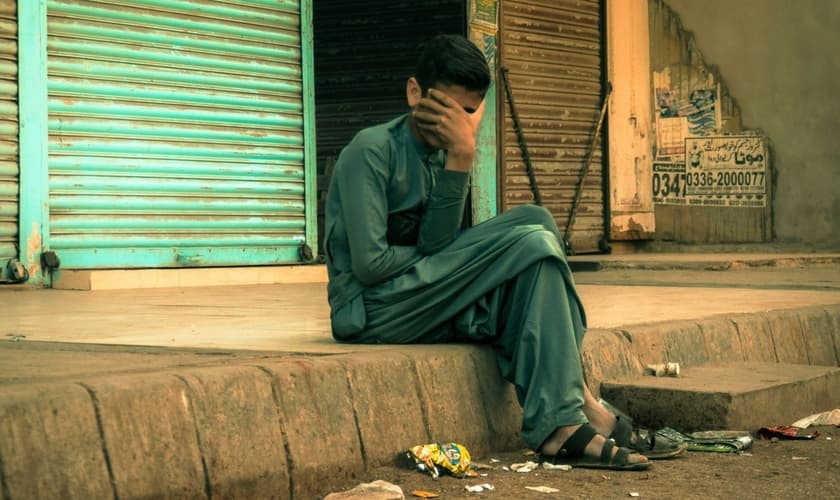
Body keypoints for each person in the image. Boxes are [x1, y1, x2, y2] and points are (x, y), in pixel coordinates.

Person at [323, 34, 650, 470]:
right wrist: (459, 260)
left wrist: (460, 156)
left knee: (537, 222)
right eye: (447, 108)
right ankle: (567, 420)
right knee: (530, 246)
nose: (457, 124)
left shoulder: (443, 154)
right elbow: (371, 264)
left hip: (420, 295)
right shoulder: (371, 150)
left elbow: (437, 246)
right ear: (415, 92)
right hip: (371, 309)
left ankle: (573, 408)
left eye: (468, 113)